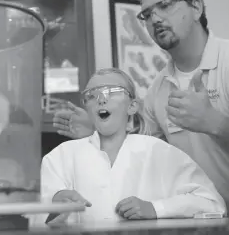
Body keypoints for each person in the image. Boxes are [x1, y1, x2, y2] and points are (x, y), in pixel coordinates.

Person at [52, 0, 229, 210]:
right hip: (205, 216)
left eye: (165, 5)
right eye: (147, 14)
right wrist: (99, 132)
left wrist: (214, 123)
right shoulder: (158, 89)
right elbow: (145, 153)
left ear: (196, 7)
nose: (155, 19)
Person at [41, 68, 226, 225]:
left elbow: (212, 203)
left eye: (112, 91)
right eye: (92, 95)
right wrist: (55, 205)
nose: (101, 99)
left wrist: (155, 208)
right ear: (87, 108)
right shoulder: (60, 157)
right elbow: (28, 217)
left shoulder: (159, 152)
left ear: (132, 106)